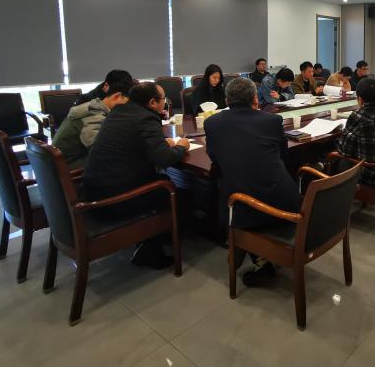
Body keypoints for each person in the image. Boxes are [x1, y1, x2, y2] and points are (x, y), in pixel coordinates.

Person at [205, 77, 301, 287]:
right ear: (255, 99)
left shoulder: (211, 123)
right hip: (285, 199)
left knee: (225, 187)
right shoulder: (272, 120)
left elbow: (215, 157)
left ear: (226, 100)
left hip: (247, 205)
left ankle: (251, 252)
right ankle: (254, 252)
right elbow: (282, 153)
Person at [83, 82, 189, 269]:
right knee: (172, 191)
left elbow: (134, 143)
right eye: (163, 99)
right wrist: (181, 146)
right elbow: (164, 159)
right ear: (152, 102)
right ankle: (150, 250)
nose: (165, 102)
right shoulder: (146, 118)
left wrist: (161, 143)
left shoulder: (118, 112)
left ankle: (156, 236)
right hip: (112, 202)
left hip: (91, 191)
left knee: (163, 180)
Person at [52, 74, 133, 170]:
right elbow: (99, 150)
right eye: (127, 103)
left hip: (59, 161)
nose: (126, 108)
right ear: (117, 96)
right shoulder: (94, 116)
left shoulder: (92, 106)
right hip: (67, 166)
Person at [336, 78, 375, 186]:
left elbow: (345, 151)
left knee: (336, 160)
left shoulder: (358, 116)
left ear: (360, 99)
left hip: (369, 176)